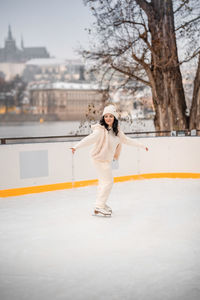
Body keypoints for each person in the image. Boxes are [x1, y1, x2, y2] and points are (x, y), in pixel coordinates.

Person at [70, 105, 149, 217]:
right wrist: (76, 146)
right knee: (108, 182)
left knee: (103, 182)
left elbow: (127, 140)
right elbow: (89, 139)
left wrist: (142, 145)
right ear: (103, 118)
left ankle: (100, 204)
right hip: (98, 159)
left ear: (114, 118)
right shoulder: (100, 130)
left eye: (110, 116)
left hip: (106, 160)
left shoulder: (117, 132)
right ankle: (99, 206)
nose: (108, 118)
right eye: (106, 116)